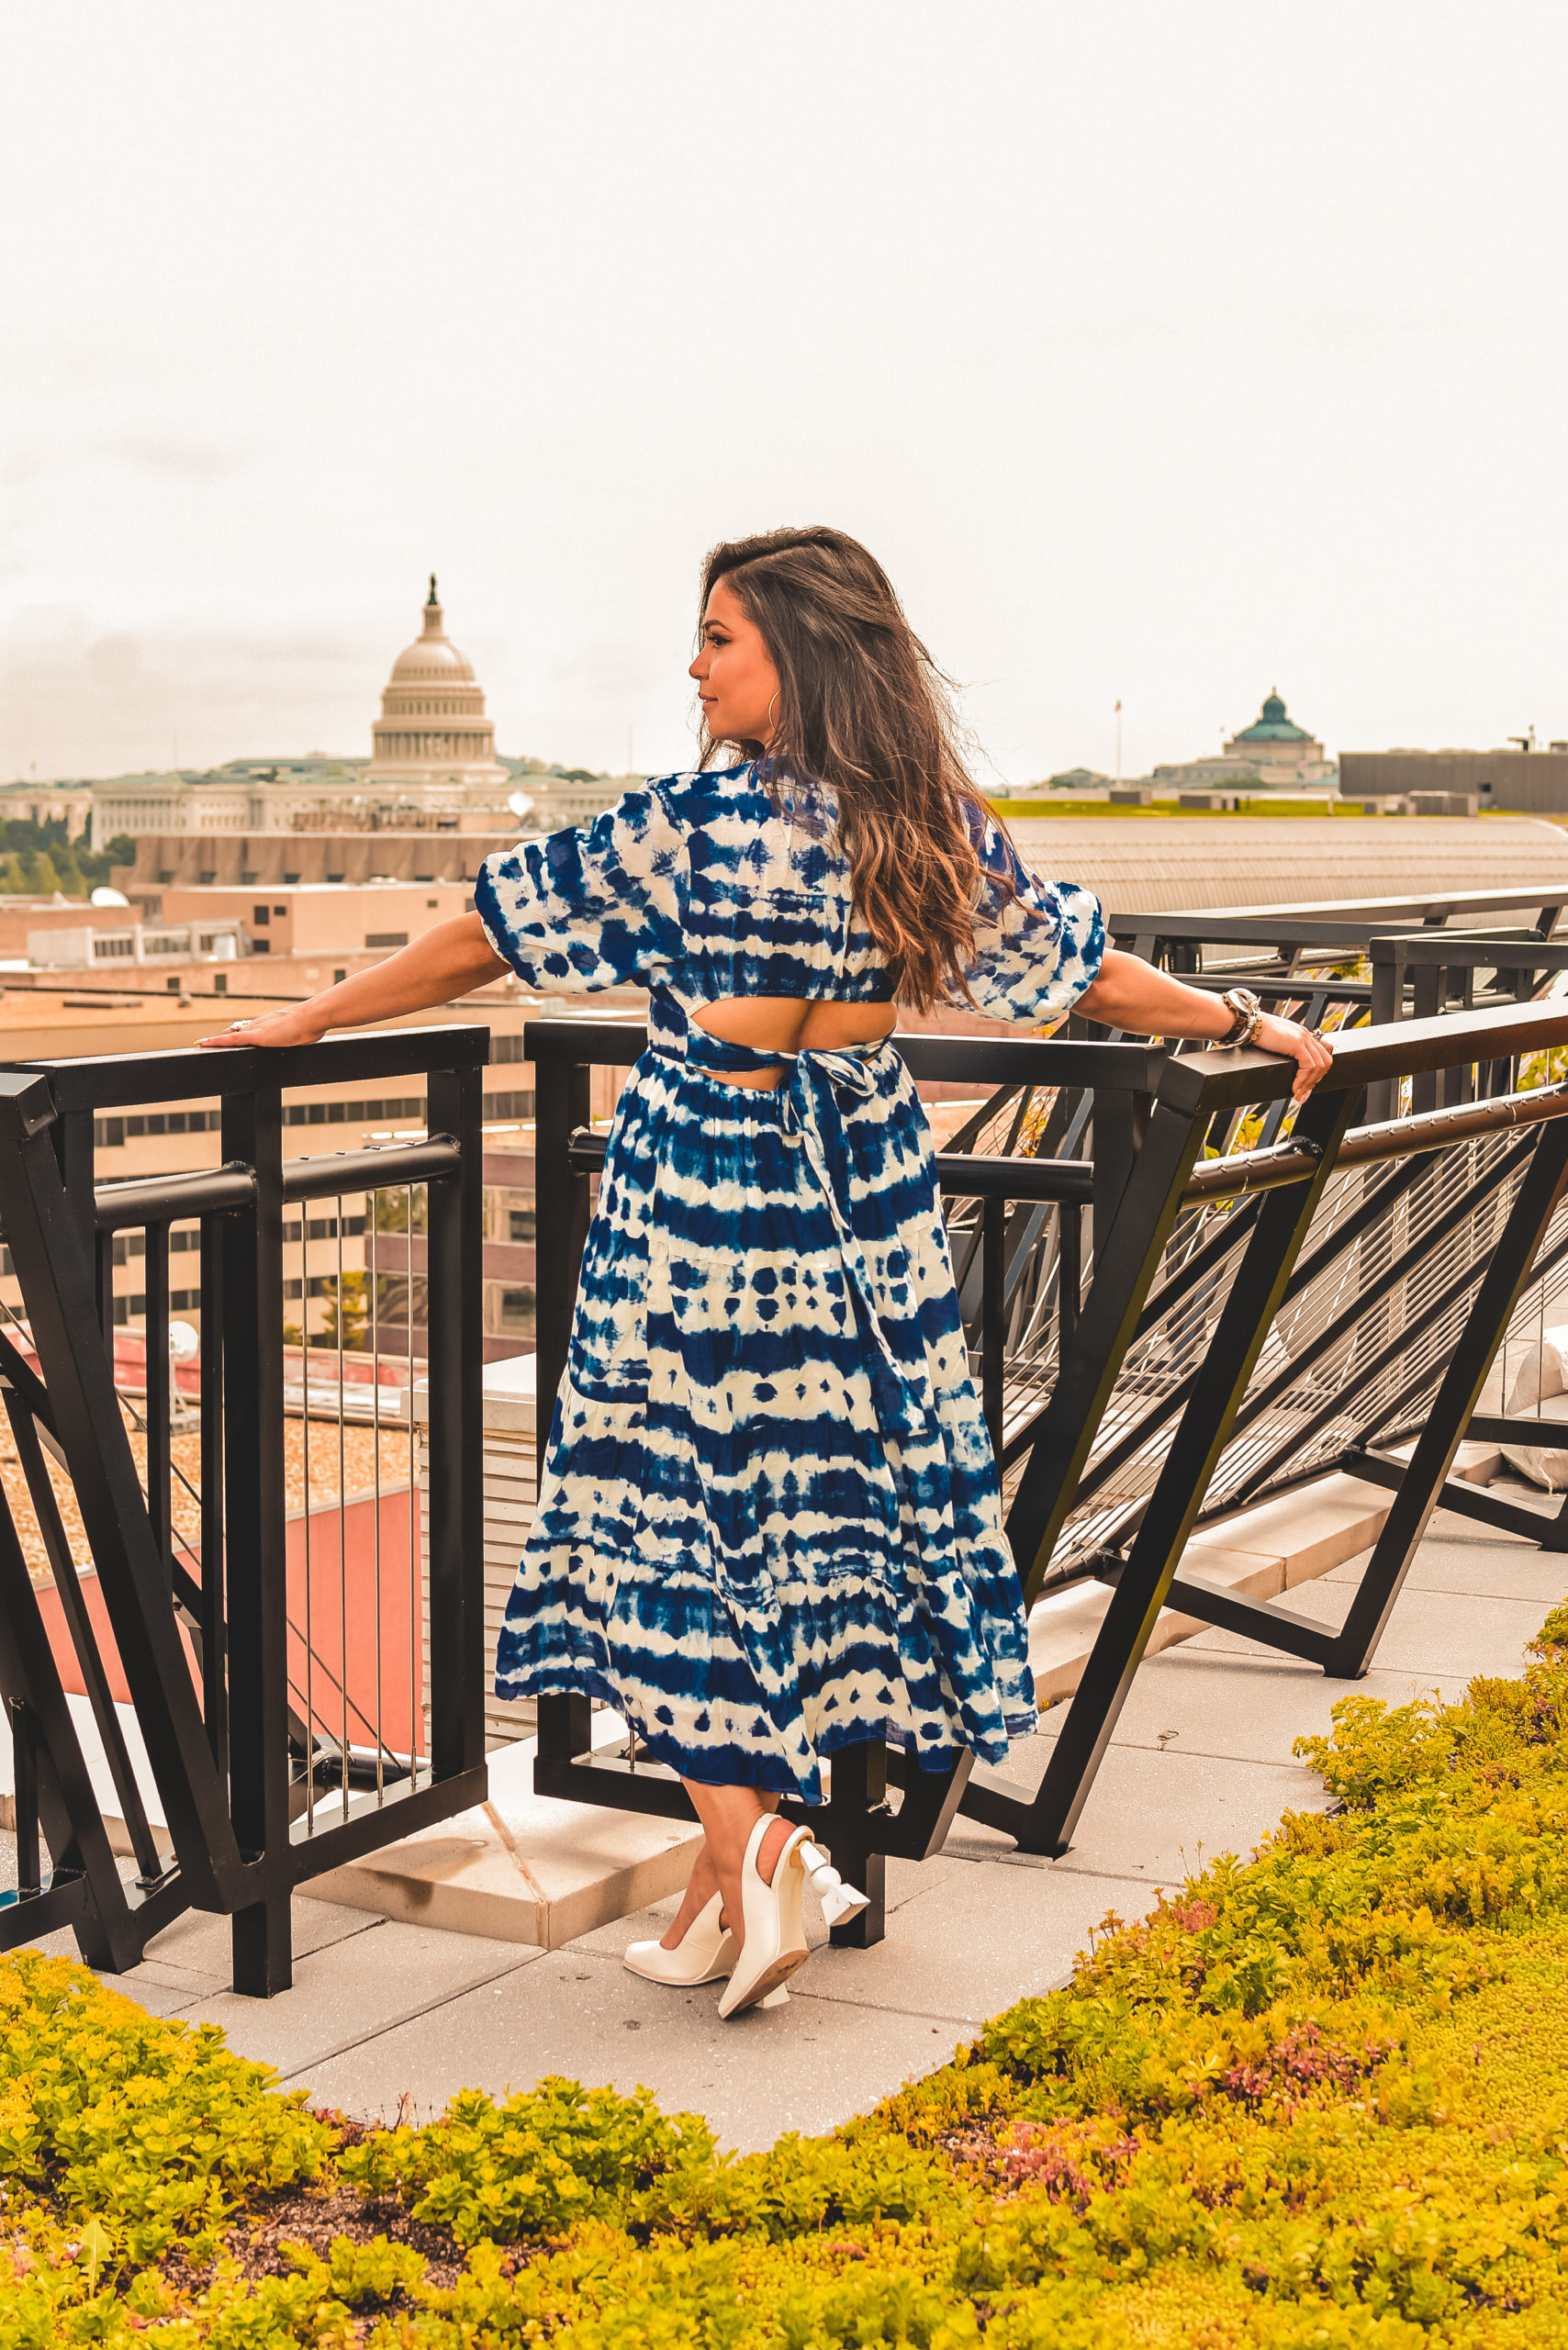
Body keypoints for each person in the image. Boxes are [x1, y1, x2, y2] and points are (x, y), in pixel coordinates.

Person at [203, 527, 1331, 2017]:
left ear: (792, 654)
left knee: (653, 1512)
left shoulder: (695, 820)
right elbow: (1089, 978)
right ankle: (717, 1902)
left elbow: (489, 932)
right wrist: (1250, 1025)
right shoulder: (923, 823)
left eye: (717, 637)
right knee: (809, 1521)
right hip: (860, 1186)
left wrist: (312, 1021)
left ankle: (751, 1854)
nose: (693, 665)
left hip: (705, 1181)